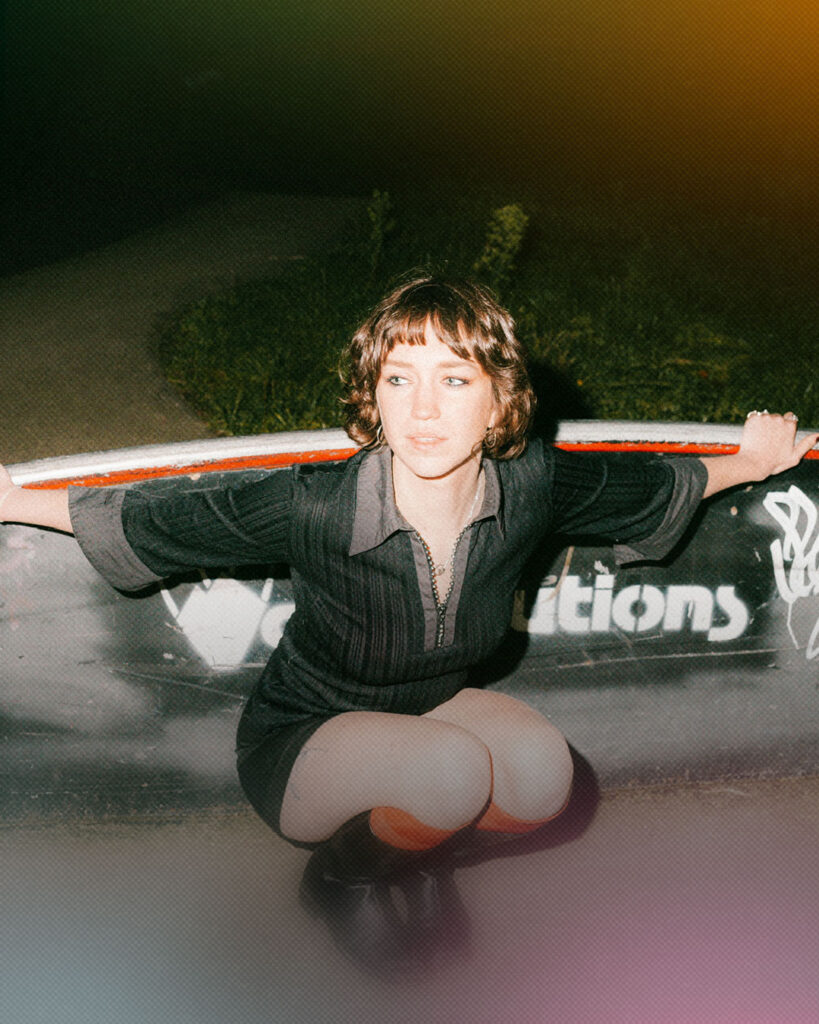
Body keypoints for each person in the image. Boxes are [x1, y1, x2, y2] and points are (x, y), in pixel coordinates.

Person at [1, 276, 816, 974]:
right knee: (450, 773)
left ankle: (410, 852)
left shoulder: (531, 482)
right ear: (373, 394)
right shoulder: (314, 504)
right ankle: (341, 881)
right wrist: (9, 497)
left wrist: (752, 460)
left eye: (454, 380)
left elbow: (646, 491)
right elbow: (155, 523)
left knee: (544, 778)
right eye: (398, 378)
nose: (422, 409)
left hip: (428, 706)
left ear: (499, 400)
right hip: (302, 737)